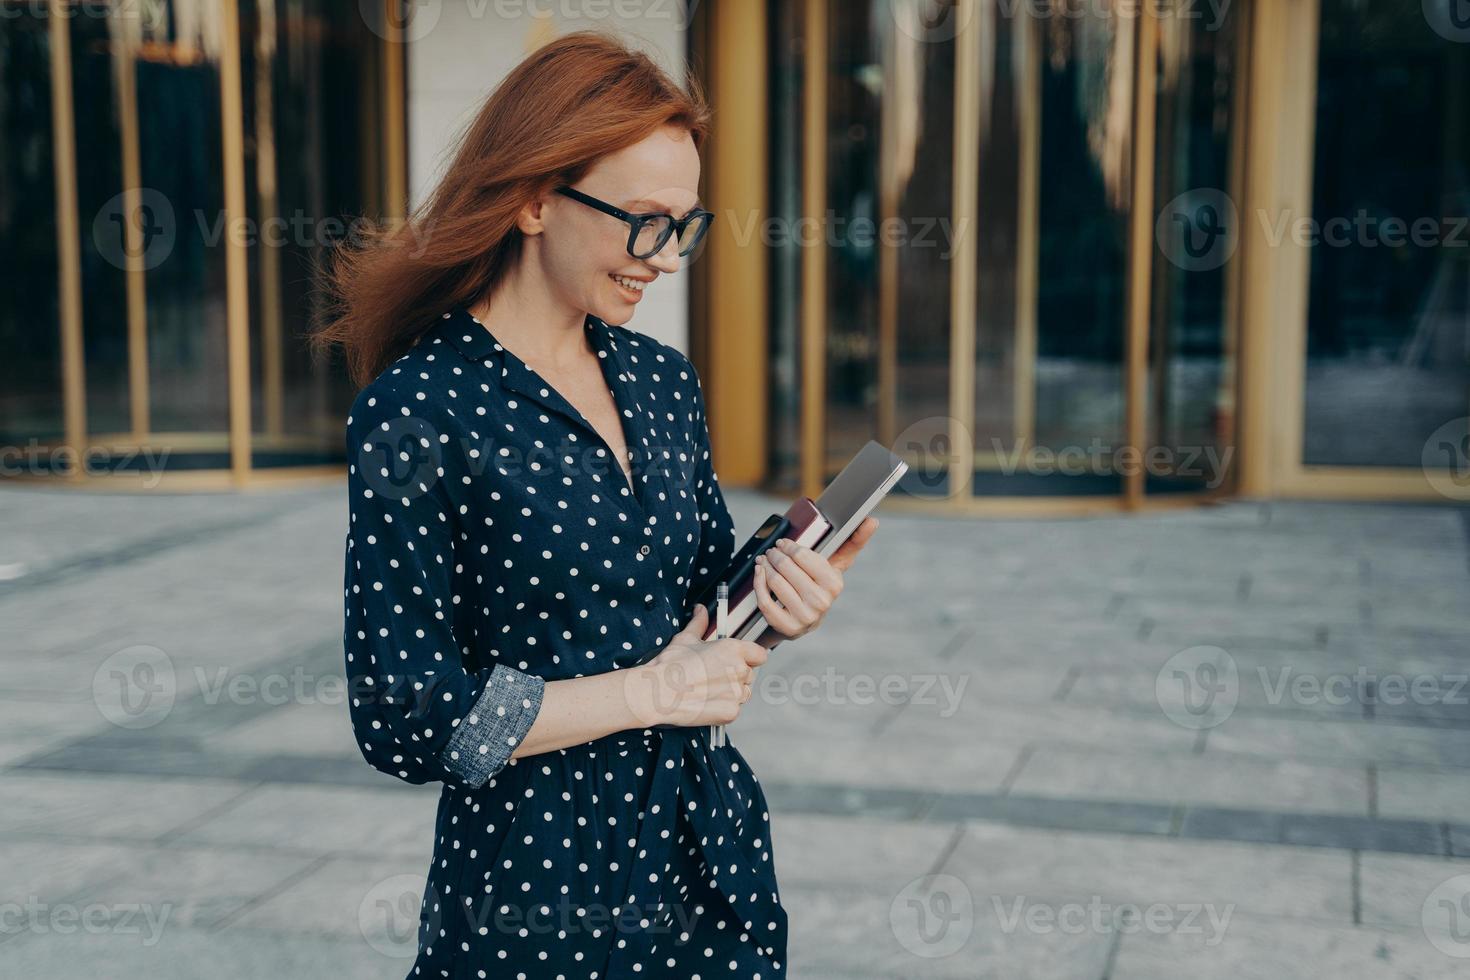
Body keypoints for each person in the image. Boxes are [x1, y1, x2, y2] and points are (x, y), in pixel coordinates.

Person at [315, 30, 878, 978]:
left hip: (705, 853)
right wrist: (643, 693)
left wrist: (781, 596)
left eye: (686, 224)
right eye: (642, 219)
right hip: (535, 890)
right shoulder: (418, 409)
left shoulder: (659, 379)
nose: (666, 255)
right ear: (534, 197)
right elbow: (406, 713)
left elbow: (700, 601)